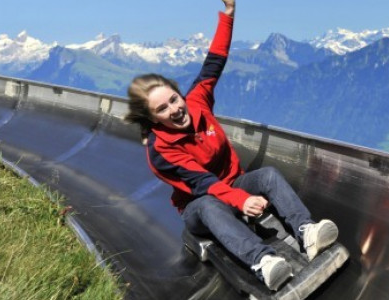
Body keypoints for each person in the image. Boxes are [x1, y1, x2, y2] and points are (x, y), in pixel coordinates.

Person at [122, 0, 337, 291]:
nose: (174, 109)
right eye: (162, 109)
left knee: (268, 175)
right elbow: (203, 183)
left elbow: (214, 62)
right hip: (200, 207)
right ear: (152, 119)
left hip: (235, 185)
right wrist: (241, 200)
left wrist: (229, 15)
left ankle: (306, 232)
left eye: (174, 99)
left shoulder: (197, 101)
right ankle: (263, 262)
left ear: (179, 94)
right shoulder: (161, 150)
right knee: (209, 204)